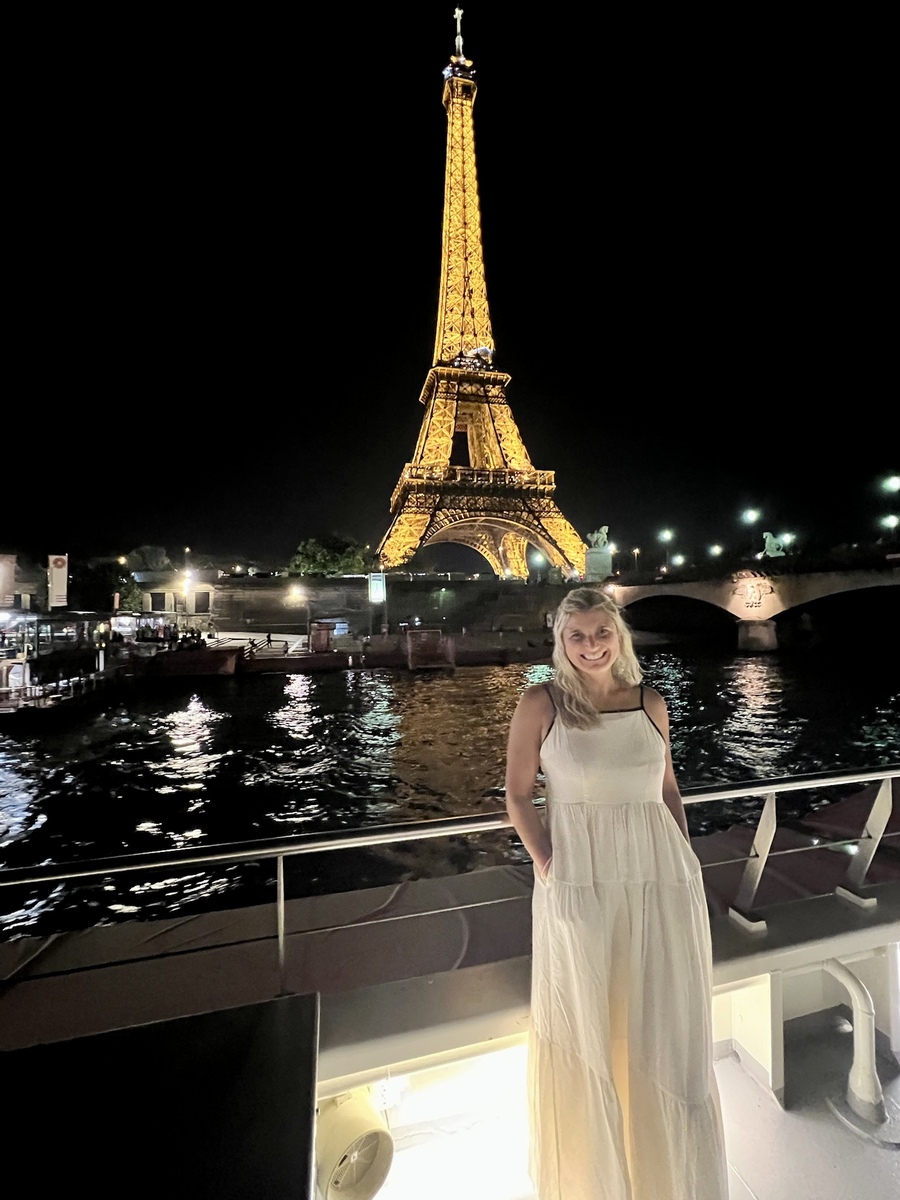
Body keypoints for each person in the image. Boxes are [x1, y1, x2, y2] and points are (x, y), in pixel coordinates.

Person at [505, 587, 728, 1200]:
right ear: (561, 641)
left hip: (661, 878)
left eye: (601, 632)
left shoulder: (651, 701)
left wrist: (685, 855)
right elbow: (518, 797)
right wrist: (548, 862)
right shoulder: (541, 703)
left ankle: (665, 1177)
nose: (591, 645)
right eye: (576, 636)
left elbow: (668, 788)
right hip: (581, 877)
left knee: (660, 1017)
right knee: (588, 1020)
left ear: (618, 634)